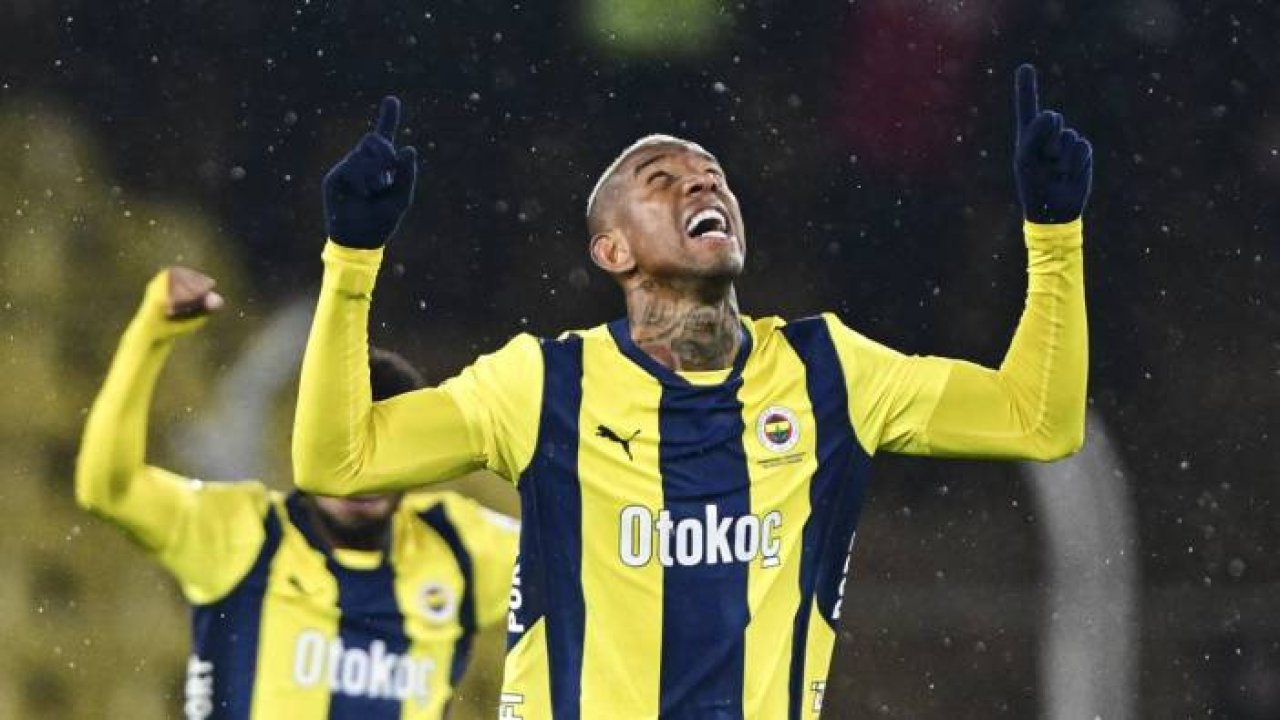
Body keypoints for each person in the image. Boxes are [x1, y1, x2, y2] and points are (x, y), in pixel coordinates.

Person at [292, 63, 1090, 718]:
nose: (702, 188)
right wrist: (352, 259)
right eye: (663, 180)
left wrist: (1054, 236)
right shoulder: (543, 384)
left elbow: (1038, 421)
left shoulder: (832, 372)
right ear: (613, 250)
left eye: (714, 179)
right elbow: (339, 462)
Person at [75, 266, 519, 720]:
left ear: (416, 461)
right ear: (304, 448)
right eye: (340, 454)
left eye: (378, 457)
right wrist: (150, 335)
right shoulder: (242, 535)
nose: (359, 479)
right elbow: (109, 488)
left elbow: (567, 551)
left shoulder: (461, 545)